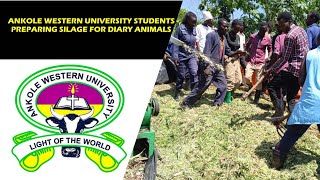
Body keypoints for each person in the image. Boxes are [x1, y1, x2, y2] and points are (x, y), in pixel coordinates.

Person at [271, 32, 320, 170]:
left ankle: (277, 161)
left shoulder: (309, 54)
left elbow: (301, 80)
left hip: (310, 100)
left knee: (292, 133)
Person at [180, 18, 245, 109]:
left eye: (227, 27)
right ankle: (186, 103)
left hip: (218, 66)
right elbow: (206, 52)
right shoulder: (212, 35)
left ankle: (217, 103)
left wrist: (238, 52)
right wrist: (206, 67)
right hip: (210, 65)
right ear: (219, 26)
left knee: (223, 85)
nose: (226, 28)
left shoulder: (224, 38)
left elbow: (228, 52)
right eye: (224, 26)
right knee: (202, 86)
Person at [267, 11, 309, 114]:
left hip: (293, 70)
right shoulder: (301, 30)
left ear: (289, 22)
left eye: (282, 25)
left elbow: (284, 58)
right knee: (291, 98)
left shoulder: (290, 36)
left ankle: (279, 111)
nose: (281, 28)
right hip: (302, 70)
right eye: (280, 26)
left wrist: (271, 70)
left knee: (272, 86)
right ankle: (290, 122)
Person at [172, 12, 199, 101]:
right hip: (181, 55)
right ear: (187, 20)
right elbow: (175, 44)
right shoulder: (180, 29)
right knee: (181, 76)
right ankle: (178, 91)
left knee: (194, 72)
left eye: (195, 22)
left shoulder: (194, 29)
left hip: (191, 55)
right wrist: (175, 57)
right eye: (193, 22)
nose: (194, 24)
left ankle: (194, 93)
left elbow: (195, 43)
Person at [245, 22, 272, 104]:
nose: (263, 32)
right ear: (259, 29)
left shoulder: (267, 39)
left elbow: (270, 50)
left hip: (261, 63)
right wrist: (247, 53)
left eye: (265, 31)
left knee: (258, 83)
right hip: (251, 61)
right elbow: (247, 45)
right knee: (246, 77)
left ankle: (256, 100)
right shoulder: (253, 36)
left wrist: (269, 57)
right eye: (261, 30)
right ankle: (250, 86)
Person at [266, 23, 288, 120]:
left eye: (278, 26)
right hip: (290, 69)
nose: (277, 28)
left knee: (271, 87)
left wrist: (270, 68)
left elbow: (276, 54)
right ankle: (281, 111)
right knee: (282, 90)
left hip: (280, 68)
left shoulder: (280, 37)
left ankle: (279, 112)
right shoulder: (292, 36)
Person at [224, 19, 242, 103]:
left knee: (238, 80)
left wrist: (240, 54)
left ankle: (231, 93)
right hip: (228, 58)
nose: (237, 31)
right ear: (232, 26)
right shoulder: (226, 35)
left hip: (236, 59)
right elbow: (226, 49)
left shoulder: (238, 37)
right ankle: (227, 98)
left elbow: (238, 47)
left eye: (238, 29)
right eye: (236, 28)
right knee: (230, 79)